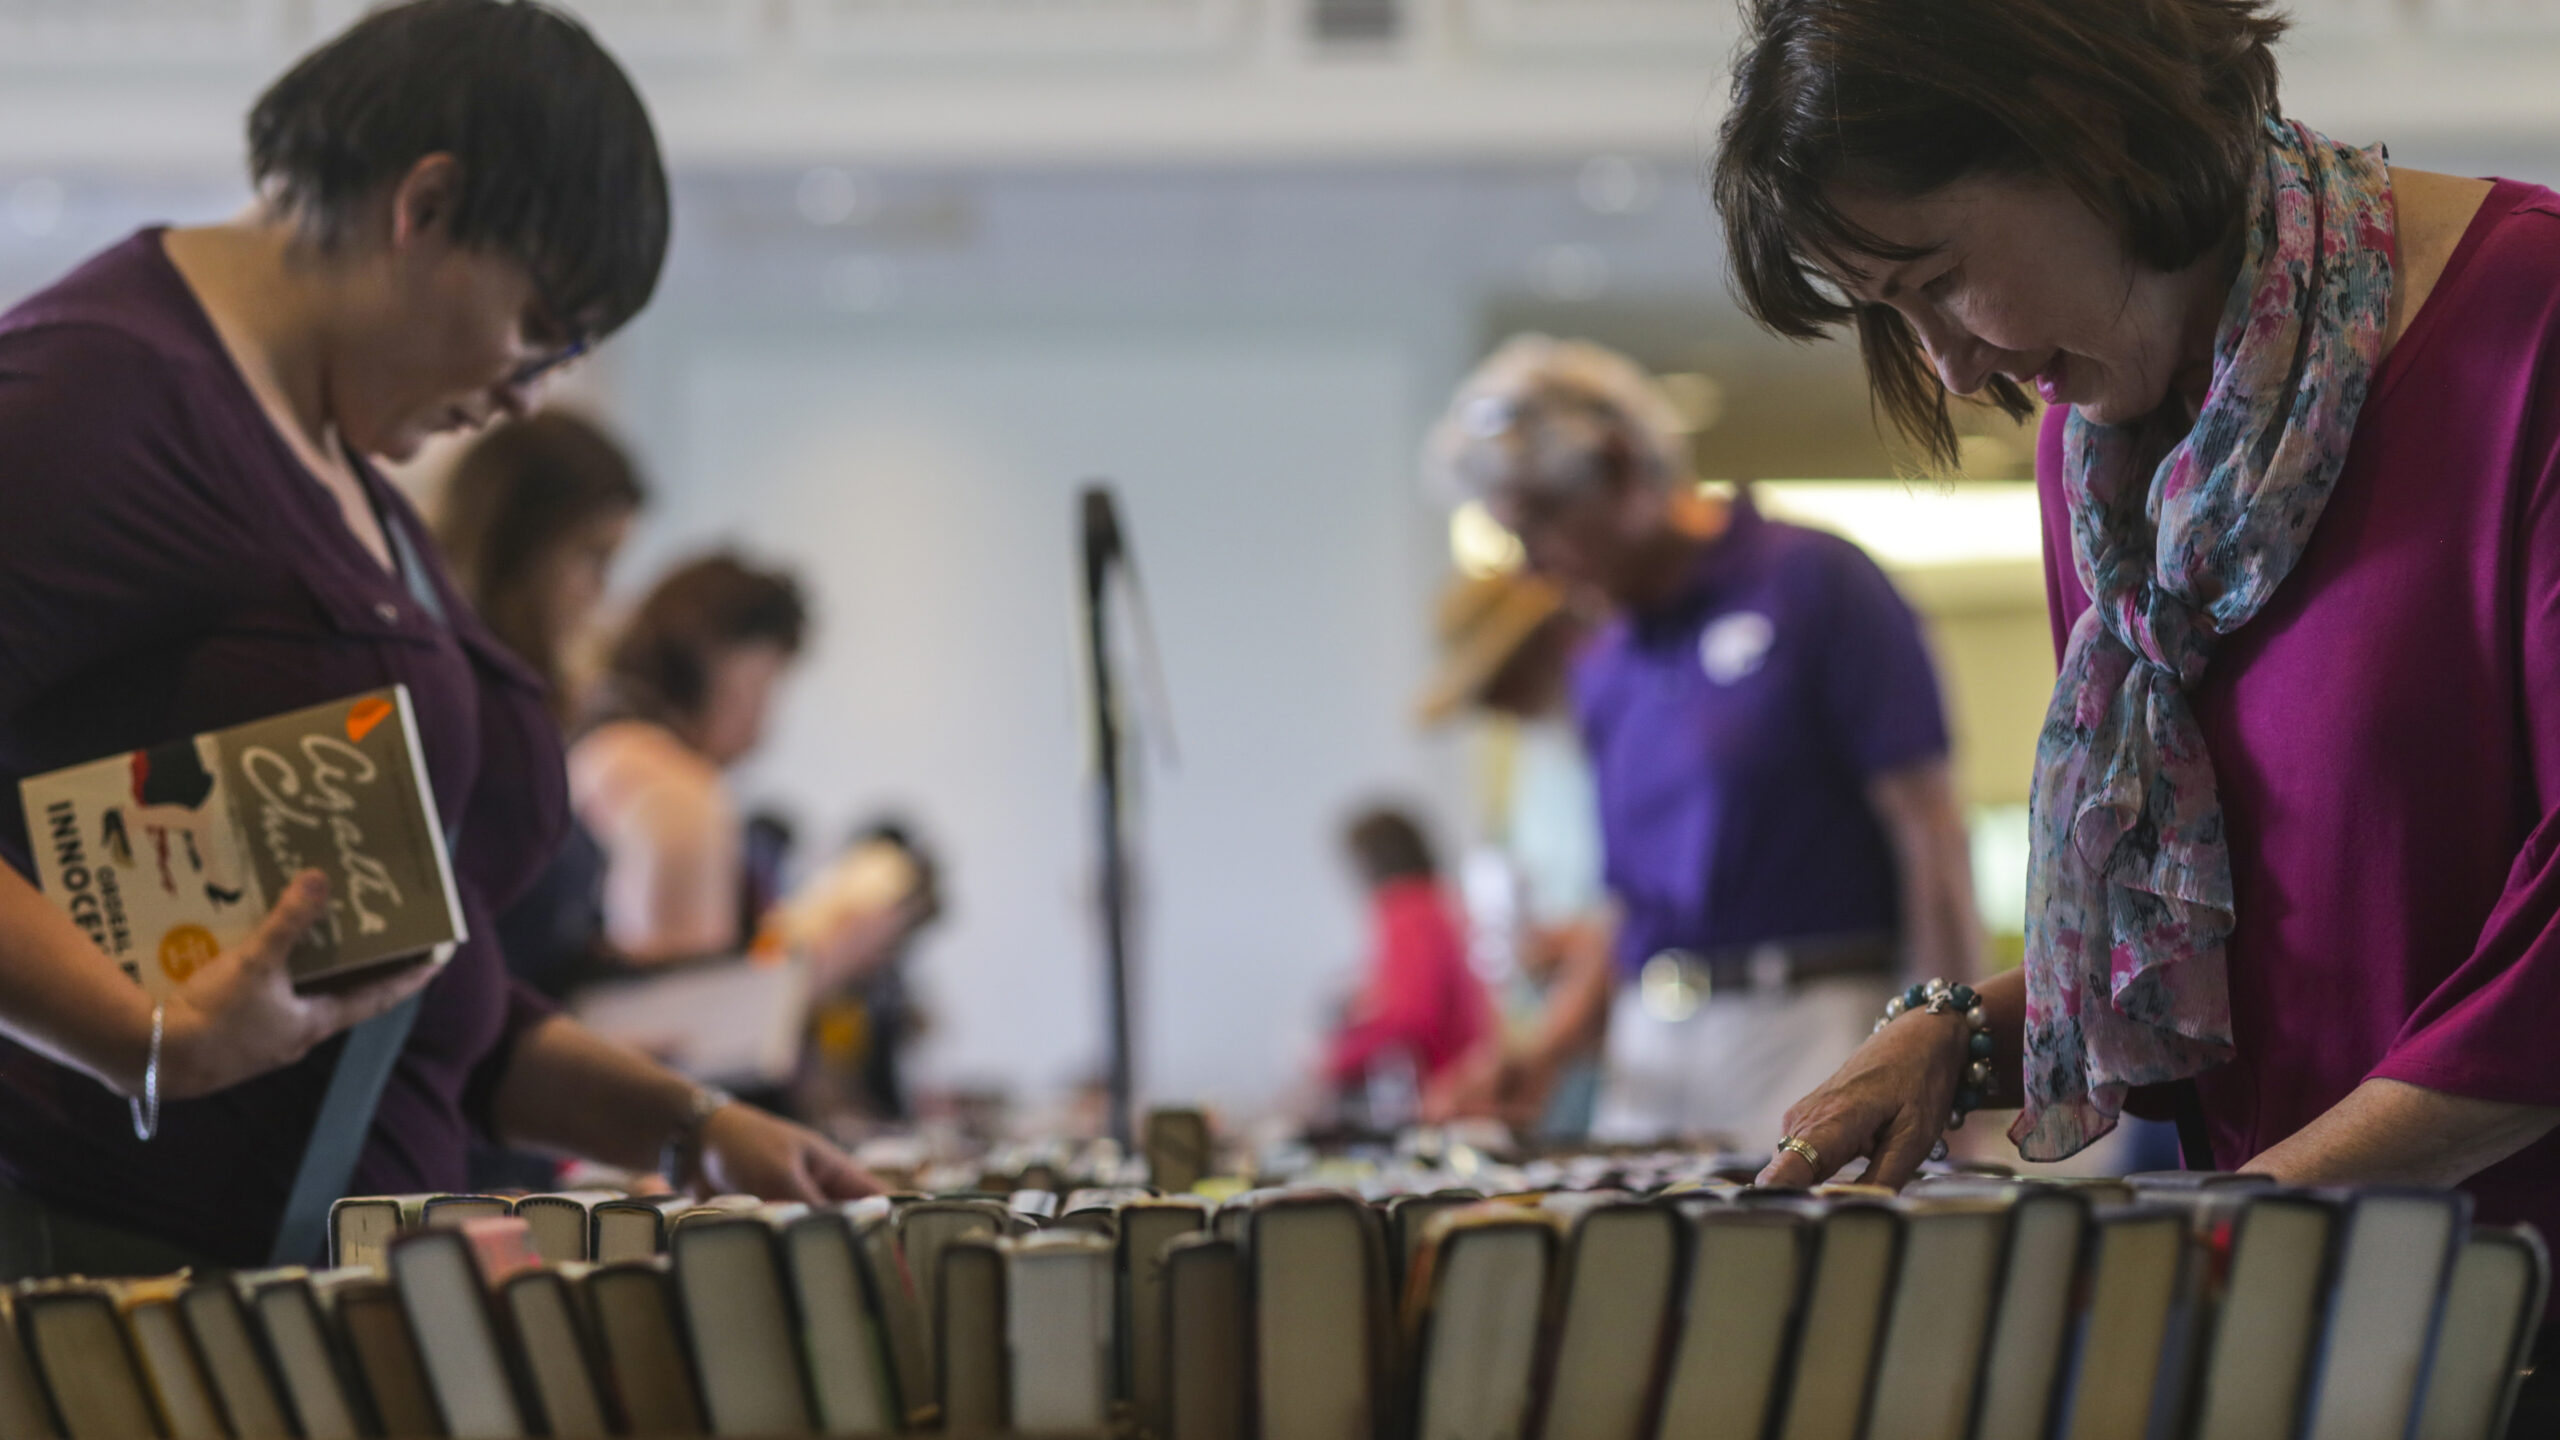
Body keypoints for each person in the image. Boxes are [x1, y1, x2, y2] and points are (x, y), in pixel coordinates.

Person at [1723, 6, 2560, 1409]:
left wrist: (2240, 1215)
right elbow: (2217, 935)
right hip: (2309, 1330)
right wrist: (1960, 1032)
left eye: (1937, 279)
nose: (1950, 368)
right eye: (1890, 317)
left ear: (2094, 138)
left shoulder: (2531, 330)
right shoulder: (2108, 460)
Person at [0, 0, 871, 1276]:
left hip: (290, 1299)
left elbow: (417, 992)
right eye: (540, 327)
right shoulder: (98, 392)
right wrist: (142, 1039)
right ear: (426, 209)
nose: (529, 390)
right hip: (117, 1297)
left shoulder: (344, 474)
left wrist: (691, 1125)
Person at [1427, 335, 1983, 1151]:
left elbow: (1927, 829)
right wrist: (1543, 1050)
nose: (1533, 567)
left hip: (1811, 1023)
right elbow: (1635, 906)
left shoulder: (1813, 583)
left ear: (1617, 469)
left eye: (1542, 525)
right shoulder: (1607, 661)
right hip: (1652, 1042)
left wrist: (1948, 1049)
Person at [572, 554, 914, 987]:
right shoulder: (676, 787)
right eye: (766, 685)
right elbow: (687, 1018)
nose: (764, 724)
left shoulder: (600, 748)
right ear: (716, 665)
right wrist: (829, 960)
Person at [433, 411, 646, 998]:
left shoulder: (524, 705)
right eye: (593, 558)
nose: (603, 591)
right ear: (517, 551)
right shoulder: (458, 702)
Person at [1412, 571, 1611, 1139]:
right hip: (1571, 1026)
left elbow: (1637, 904)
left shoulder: (1610, 739)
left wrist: (1577, 942)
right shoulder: (1536, 757)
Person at [1321, 806, 1495, 1125]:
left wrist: (1333, 1060)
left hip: (1447, 1096)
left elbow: (1412, 1016)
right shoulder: (1439, 901)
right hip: (1470, 1082)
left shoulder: (1406, 909)